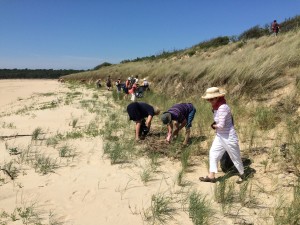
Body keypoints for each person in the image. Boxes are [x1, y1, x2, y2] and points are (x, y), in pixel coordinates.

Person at [199, 87, 245, 183]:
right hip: (220, 136)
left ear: (217, 97)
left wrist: (214, 126)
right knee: (213, 153)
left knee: (235, 156)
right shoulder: (216, 107)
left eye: (212, 99)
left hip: (229, 136)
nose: (209, 101)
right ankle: (211, 176)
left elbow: (221, 125)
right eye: (208, 99)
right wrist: (215, 125)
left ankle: (242, 174)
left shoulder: (223, 107)